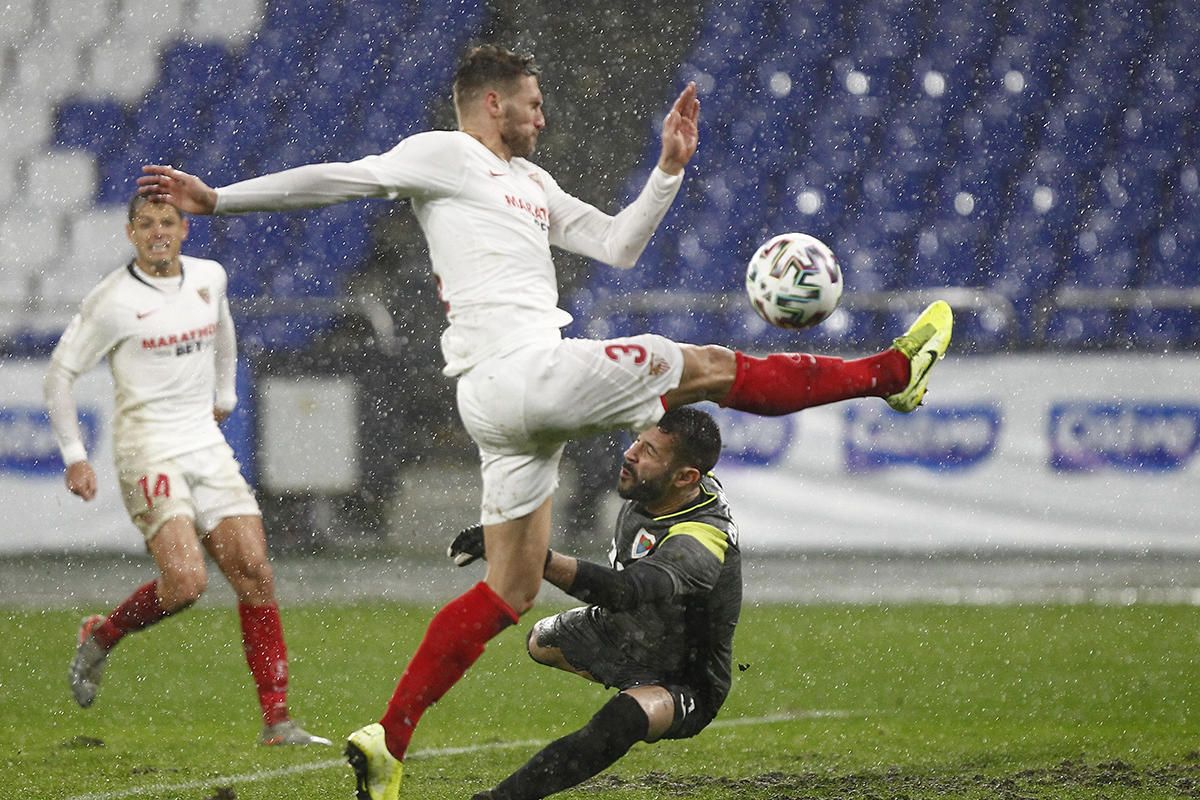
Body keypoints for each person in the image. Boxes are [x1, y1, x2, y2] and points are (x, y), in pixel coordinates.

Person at [136, 44, 952, 798]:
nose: (543, 117)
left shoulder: (531, 184)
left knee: (510, 587)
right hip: (524, 370)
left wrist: (667, 170)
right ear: (491, 103)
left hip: (502, 403)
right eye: (532, 104)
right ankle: (891, 373)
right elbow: (342, 177)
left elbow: (617, 245)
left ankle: (389, 736)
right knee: (704, 364)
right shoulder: (445, 154)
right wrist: (219, 201)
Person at [44, 194, 330, 747]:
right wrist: (76, 456)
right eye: (146, 225)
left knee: (254, 570)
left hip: (203, 440)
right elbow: (59, 374)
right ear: (130, 233)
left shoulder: (208, 277)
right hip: (146, 447)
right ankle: (103, 635)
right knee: (186, 583)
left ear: (184, 230)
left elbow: (221, 328)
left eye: (167, 223)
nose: (158, 233)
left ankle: (278, 721)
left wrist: (224, 393)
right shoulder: (113, 301)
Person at [448, 406, 738, 800]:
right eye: (638, 439)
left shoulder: (701, 540)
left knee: (620, 721)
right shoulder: (658, 485)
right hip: (622, 631)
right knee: (540, 641)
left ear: (686, 477)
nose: (630, 453)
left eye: (649, 451)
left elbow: (622, 591)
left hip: (685, 675)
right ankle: (630, 680)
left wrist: (532, 555)